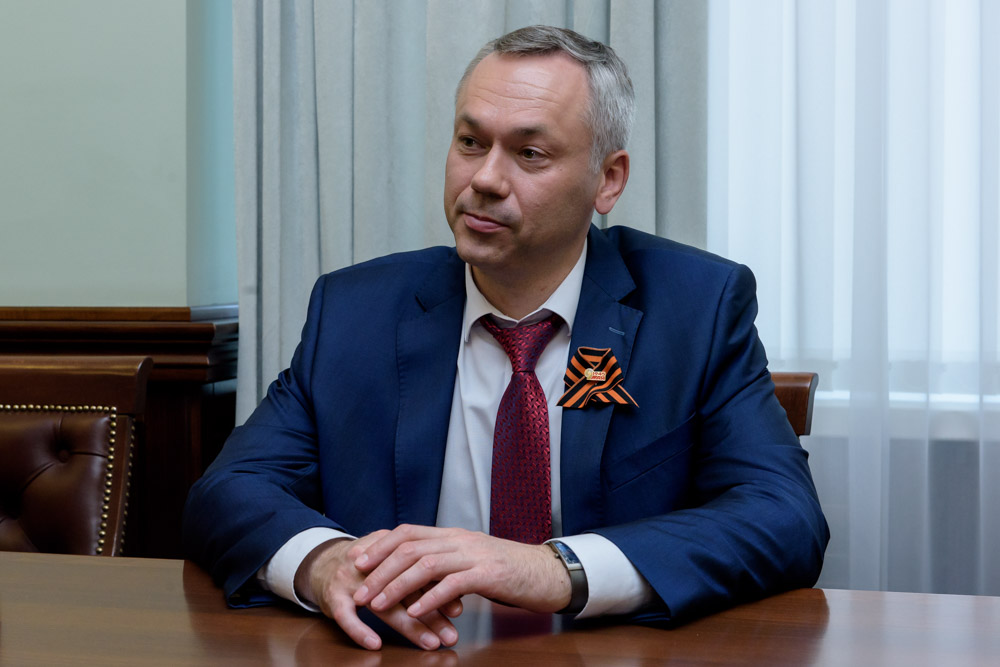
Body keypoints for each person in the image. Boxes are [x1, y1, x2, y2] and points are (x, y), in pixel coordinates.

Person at [183, 25, 829, 652]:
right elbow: (230, 490)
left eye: (529, 154)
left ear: (608, 179)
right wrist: (326, 564)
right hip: (412, 649)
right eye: (470, 142)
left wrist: (556, 568)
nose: (485, 179)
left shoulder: (695, 308)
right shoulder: (357, 311)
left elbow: (784, 516)